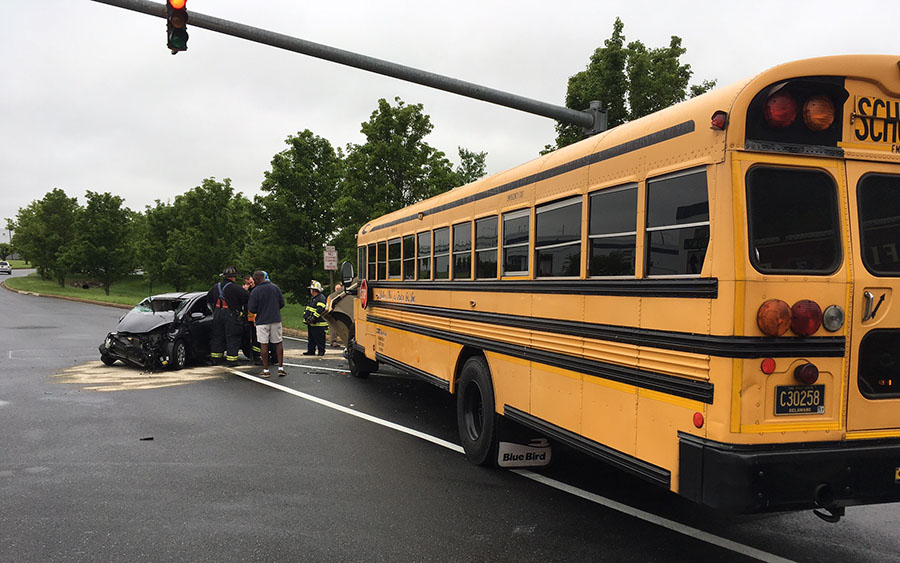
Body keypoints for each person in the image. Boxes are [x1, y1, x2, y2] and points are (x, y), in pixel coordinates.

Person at [206, 266, 249, 366]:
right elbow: (247, 298)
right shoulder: (236, 288)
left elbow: (208, 299)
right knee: (233, 337)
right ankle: (232, 360)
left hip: (217, 315)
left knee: (217, 336)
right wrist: (246, 290)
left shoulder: (215, 287)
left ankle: (216, 359)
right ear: (233, 277)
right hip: (231, 316)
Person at [248, 270, 286, 377]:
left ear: (255, 280)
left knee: (263, 344)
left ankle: (266, 370)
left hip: (262, 321)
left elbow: (252, 308)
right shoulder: (275, 288)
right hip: (275, 318)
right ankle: (281, 367)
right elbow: (282, 303)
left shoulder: (256, 291)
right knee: (278, 342)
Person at [241, 274, 262, 364]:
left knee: (257, 338)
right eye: (248, 283)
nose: (250, 284)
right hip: (247, 318)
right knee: (249, 337)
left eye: (251, 282)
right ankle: (251, 355)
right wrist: (244, 291)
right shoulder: (244, 291)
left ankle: (257, 356)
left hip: (257, 317)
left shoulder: (257, 289)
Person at [304, 280, 328, 356]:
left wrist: (313, 318)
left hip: (319, 324)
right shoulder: (313, 298)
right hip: (312, 323)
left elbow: (320, 309)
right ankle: (311, 351)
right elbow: (308, 308)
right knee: (311, 339)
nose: (310, 291)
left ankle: (321, 351)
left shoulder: (321, 298)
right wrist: (306, 317)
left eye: (311, 289)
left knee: (320, 339)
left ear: (314, 290)